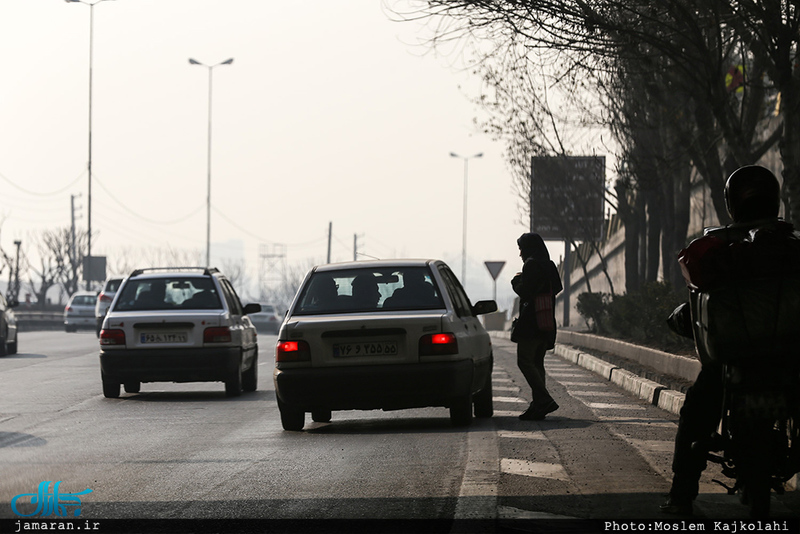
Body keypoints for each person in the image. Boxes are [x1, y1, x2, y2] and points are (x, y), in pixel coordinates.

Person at [662, 165, 800, 515]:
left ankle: (680, 496)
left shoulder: (717, 248)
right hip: (788, 358)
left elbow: (697, 289)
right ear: (775, 198)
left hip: (730, 360)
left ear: (731, 203)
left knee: (696, 413)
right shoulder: (791, 245)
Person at [511, 232, 564, 421]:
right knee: (537, 363)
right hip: (547, 321)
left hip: (531, 323)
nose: (520, 254)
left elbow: (525, 292)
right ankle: (538, 405)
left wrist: (517, 280)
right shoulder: (548, 264)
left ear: (528, 249)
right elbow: (557, 288)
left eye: (521, 249)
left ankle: (544, 399)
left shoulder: (531, 264)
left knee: (524, 361)